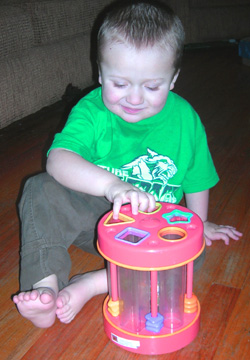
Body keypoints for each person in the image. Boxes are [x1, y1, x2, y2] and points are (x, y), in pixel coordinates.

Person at [13, 1, 242, 328]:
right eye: (119, 84)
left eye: (151, 87)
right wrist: (111, 186)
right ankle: (45, 287)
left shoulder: (186, 121)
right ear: (99, 72)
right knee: (38, 190)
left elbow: (197, 179)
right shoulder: (91, 111)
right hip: (96, 218)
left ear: (173, 79)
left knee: (191, 255)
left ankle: (92, 285)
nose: (134, 99)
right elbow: (57, 160)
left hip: (155, 232)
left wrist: (197, 224)